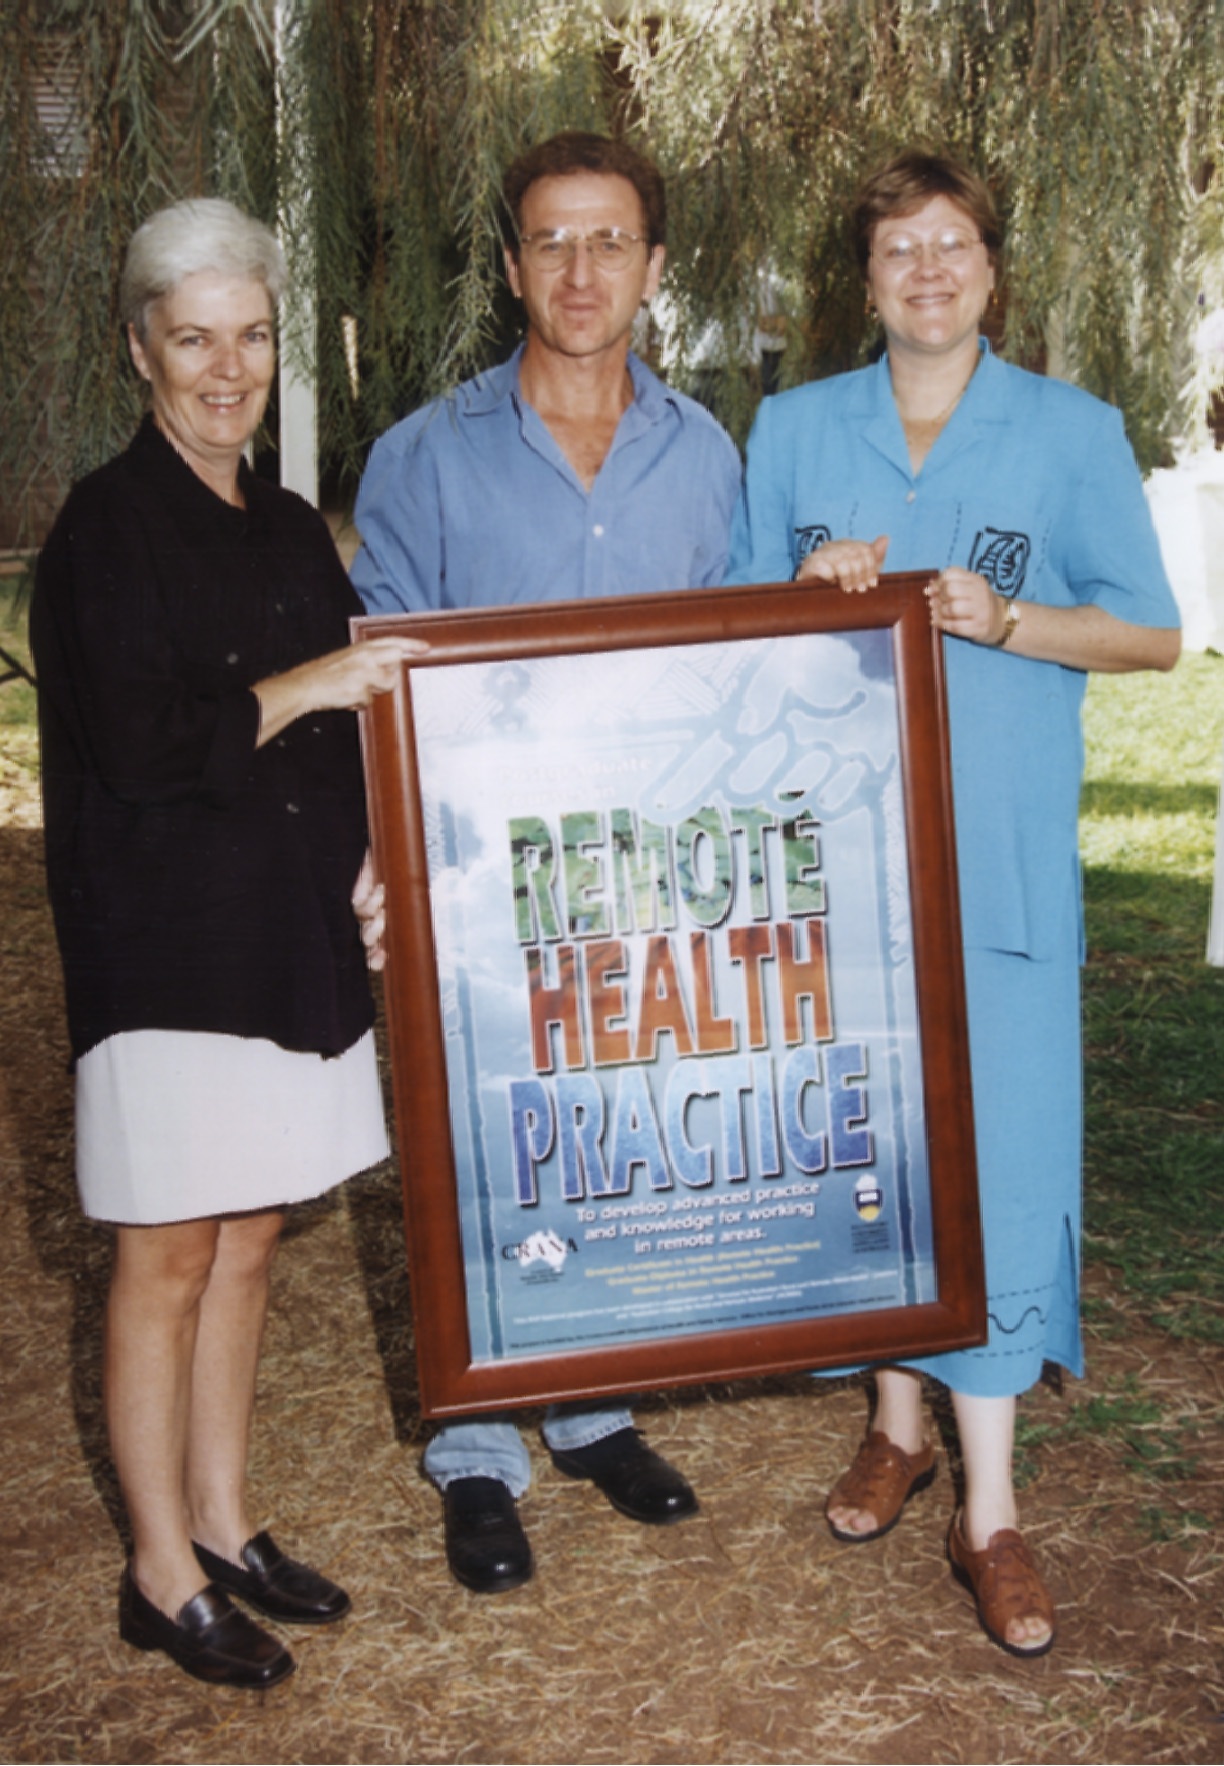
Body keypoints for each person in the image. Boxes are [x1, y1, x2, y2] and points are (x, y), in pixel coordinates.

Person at [725, 149, 1181, 1657]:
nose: (928, 269)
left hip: (996, 864)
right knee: (876, 1146)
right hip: (843, 871)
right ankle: (894, 1420)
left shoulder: (1071, 430)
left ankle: (989, 1510)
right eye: (898, 249)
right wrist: (810, 588)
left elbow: (1153, 636)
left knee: (997, 1152)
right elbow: (733, 637)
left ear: (993, 267)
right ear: (862, 279)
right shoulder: (794, 428)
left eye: (956, 245)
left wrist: (1013, 617)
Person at [31, 198, 423, 1688]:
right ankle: (156, 1570)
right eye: (193, 338)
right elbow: (139, 744)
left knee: (252, 1239)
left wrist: (377, 856)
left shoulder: (284, 527)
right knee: (167, 1253)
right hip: (166, 952)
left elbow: (341, 747)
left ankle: (224, 1523)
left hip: (289, 950)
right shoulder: (101, 528)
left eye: (250, 337)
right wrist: (316, 677)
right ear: (141, 347)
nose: (224, 367)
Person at [351, 131, 742, 1594]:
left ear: (652, 264)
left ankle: (591, 1404)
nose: (581, 271)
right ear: (511, 265)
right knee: (472, 1149)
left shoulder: (705, 457)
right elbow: (380, 683)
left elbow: (734, 675)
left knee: (610, 1133)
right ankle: (474, 1449)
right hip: (477, 877)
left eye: (611, 241)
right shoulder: (421, 457)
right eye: (551, 242)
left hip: (642, 885)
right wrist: (394, 855)